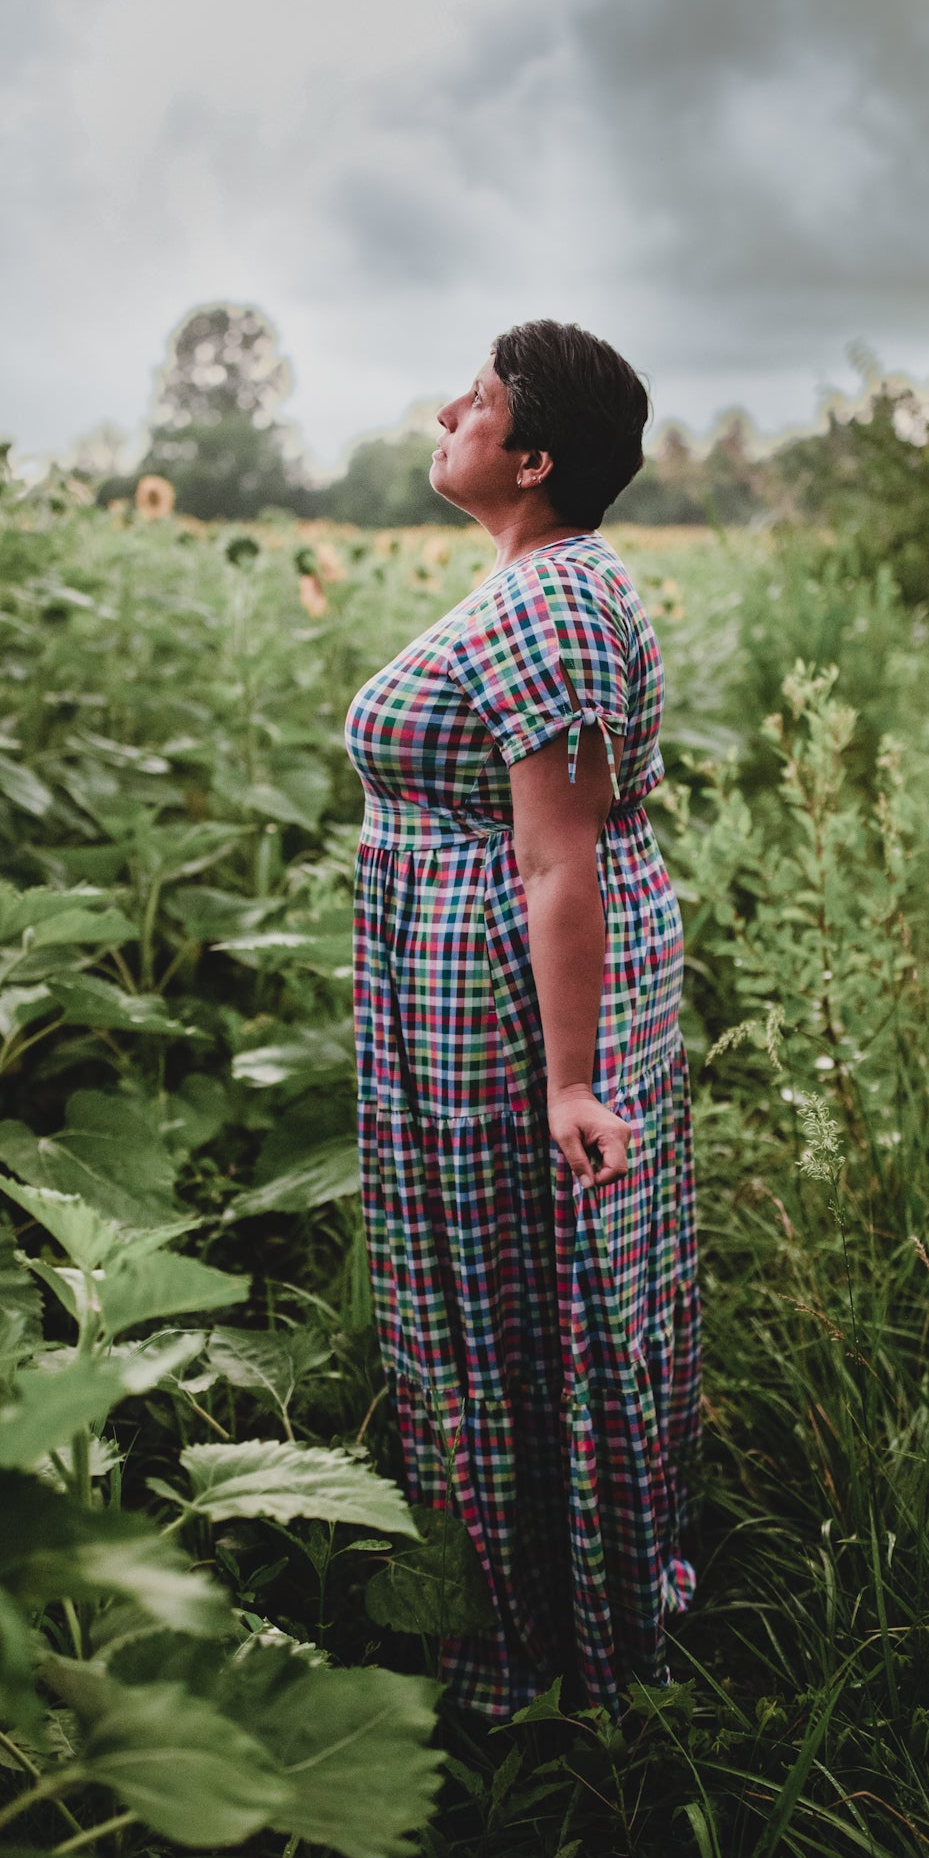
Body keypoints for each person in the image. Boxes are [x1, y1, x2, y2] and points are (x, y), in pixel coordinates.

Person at [345, 318, 700, 1720]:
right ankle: (552, 1605)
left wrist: (567, 1083)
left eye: (477, 402)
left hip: (507, 999)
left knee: (520, 1294)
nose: (446, 411)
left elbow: (558, 853)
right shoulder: (545, 581)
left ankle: (536, 1648)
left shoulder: (548, 603)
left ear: (532, 456)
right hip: (486, 982)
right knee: (535, 1290)